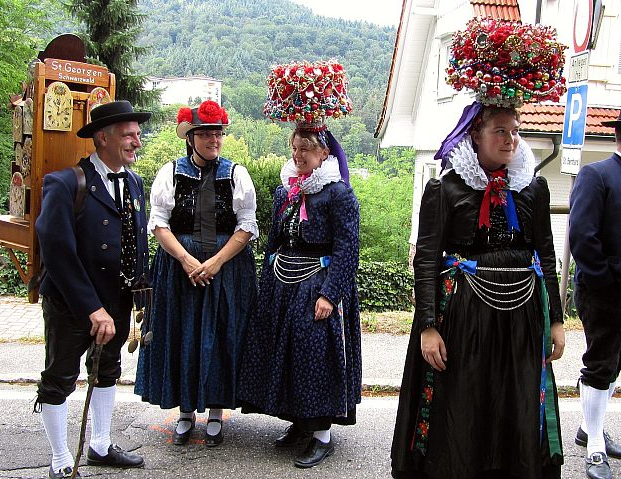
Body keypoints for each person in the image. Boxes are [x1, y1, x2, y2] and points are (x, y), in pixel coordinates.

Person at [390, 18, 567, 479]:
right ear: (476, 134)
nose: (510, 140)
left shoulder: (533, 188)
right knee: (464, 404)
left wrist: (558, 321)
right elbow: (426, 260)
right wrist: (428, 326)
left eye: (514, 130)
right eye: (500, 132)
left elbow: (545, 254)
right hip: (463, 317)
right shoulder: (446, 190)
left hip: (522, 319)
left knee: (515, 400)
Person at [238, 59, 361, 469]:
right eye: (295, 147)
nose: (300, 154)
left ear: (325, 151)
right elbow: (274, 241)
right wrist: (265, 283)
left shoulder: (338, 194)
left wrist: (331, 293)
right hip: (282, 283)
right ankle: (299, 423)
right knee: (286, 353)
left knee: (315, 356)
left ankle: (322, 434)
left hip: (317, 284)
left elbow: (348, 248)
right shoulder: (285, 190)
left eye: (307, 148)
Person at [34, 100, 151, 479]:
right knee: (60, 377)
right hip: (72, 303)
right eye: (128, 134)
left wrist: (140, 293)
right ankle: (60, 460)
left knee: (107, 370)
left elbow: (135, 242)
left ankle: (99, 446)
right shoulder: (66, 183)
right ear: (103, 138)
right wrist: (90, 308)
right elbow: (57, 253)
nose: (137, 141)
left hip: (115, 299)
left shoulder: (133, 182)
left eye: (137, 133)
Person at [134, 100, 258, 447]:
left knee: (221, 334)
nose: (213, 140)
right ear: (191, 137)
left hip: (227, 271)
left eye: (217, 133)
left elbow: (247, 226)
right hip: (178, 271)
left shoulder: (237, 175)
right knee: (182, 333)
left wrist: (216, 261)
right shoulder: (170, 172)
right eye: (205, 134)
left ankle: (216, 410)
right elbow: (158, 223)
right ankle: (186, 411)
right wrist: (187, 260)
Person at [569, 110, 621, 479]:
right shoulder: (597, 174)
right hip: (604, 291)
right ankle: (596, 449)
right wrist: (606, 282)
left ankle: (591, 427)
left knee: (616, 364)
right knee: (601, 364)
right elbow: (582, 237)